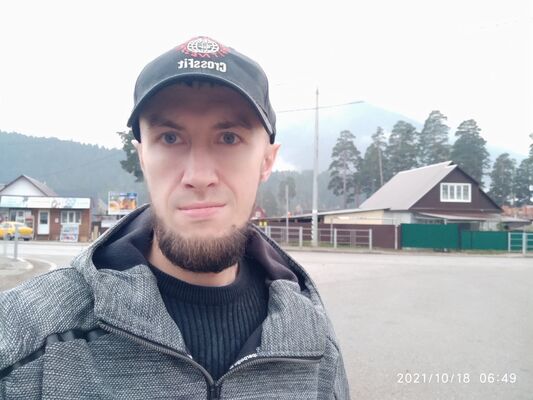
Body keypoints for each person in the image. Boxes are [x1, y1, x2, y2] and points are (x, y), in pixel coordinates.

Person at [0, 36, 350, 399]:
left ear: (266, 161)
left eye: (229, 138)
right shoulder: (24, 342)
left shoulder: (315, 345)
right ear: (142, 157)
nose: (198, 176)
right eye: (170, 138)